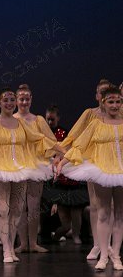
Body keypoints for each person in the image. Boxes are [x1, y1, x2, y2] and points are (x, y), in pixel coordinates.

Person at [0, 88, 62, 263]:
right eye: (5, 100)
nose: (9, 103)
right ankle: (7, 249)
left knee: (16, 210)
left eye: (12, 100)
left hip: (20, 168)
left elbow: (40, 138)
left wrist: (62, 152)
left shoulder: (21, 123)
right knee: (3, 209)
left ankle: (12, 248)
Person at [56, 85, 123, 270]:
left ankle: (116, 256)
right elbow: (79, 145)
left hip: (120, 170)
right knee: (103, 212)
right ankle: (103, 255)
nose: (115, 105)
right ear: (103, 102)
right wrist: (62, 161)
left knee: (119, 213)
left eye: (118, 101)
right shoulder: (95, 124)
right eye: (111, 101)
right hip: (102, 169)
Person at [12, 84, 57, 253]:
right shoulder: (11, 119)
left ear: (31, 99)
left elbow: (50, 140)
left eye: (27, 99)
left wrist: (53, 158)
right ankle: (23, 243)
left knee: (34, 206)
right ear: (16, 100)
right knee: (19, 206)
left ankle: (33, 243)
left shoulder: (38, 120)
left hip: (36, 164)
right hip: (17, 165)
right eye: (21, 99)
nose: (24, 102)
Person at [43, 104, 87, 244]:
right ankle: (55, 234)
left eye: (52, 119)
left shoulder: (64, 134)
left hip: (71, 177)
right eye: (48, 119)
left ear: (58, 118)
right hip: (56, 177)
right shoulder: (43, 133)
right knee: (65, 222)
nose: (50, 122)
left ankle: (76, 235)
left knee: (76, 210)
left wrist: (60, 157)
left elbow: (68, 150)